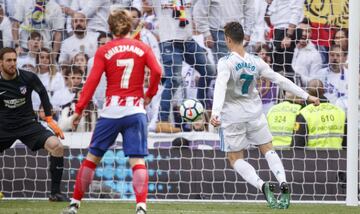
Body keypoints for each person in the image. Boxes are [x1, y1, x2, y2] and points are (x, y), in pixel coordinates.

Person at [210, 22, 320, 209]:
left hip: (233, 117)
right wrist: (306, 95)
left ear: (228, 39)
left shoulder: (225, 61)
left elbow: (220, 86)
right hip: (255, 114)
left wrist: (215, 113)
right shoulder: (256, 61)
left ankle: (262, 185)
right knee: (268, 149)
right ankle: (283, 183)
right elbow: (280, 80)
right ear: (244, 38)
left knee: (235, 159)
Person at [62, 9, 162, 214]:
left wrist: (78, 110)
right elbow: (158, 71)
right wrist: (149, 94)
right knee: (137, 161)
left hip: (111, 111)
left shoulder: (104, 50)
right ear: (130, 25)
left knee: (92, 158)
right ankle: (141, 208)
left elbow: (91, 83)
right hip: (135, 110)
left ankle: (74, 205)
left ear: (110, 28)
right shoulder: (142, 47)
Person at [0, 47, 68, 201]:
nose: (12, 63)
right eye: (8, 60)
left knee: (56, 146)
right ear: (0, 63)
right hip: (4, 127)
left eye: (14, 60)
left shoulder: (28, 77)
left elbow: (42, 92)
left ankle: (55, 194)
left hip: (27, 125)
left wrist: (49, 119)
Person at [152, 0, 215, 133]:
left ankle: (198, 112)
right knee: (174, 79)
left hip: (188, 41)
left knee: (209, 71)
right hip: (169, 41)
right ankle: (162, 120)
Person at [292, 79, 346, 149]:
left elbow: (298, 144)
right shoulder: (340, 112)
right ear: (324, 91)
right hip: (339, 156)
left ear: (308, 93)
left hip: (313, 157)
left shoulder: (304, 113)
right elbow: (347, 141)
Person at [291, 20, 323, 87]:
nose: (304, 34)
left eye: (307, 31)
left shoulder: (315, 55)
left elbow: (313, 82)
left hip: (301, 93)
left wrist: (298, 77)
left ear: (311, 34)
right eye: (301, 30)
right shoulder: (288, 49)